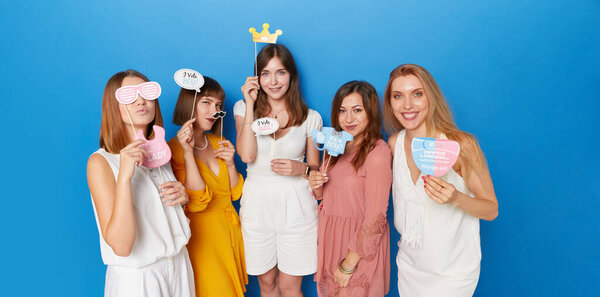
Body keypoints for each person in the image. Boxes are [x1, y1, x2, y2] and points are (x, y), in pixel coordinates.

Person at [383, 64, 499, 297]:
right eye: (398, 96)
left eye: (417, 94)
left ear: (431, 97)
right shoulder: (394, 143)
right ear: (390, 103)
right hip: (409, 266)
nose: (407, 105)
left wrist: (456, 197)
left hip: (452, 272)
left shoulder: (461, 145)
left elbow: (491, 209)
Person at [87, 70, 194, 297]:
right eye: (129, 95)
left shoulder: (160, 154)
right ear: (113, 106)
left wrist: (182, 200)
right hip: (139, 278)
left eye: (147, 92)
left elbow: (159, 215)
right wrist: (125, 178)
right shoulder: (101, 162)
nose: (140, 100)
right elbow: (121, 246)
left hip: (179, 267)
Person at [234, 44, 322, 297]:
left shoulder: (310, 117)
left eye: (280, 72)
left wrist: (302, 167)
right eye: (265, 73)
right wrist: (251, 105)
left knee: (289, 286)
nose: (273, 81)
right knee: (267, 283)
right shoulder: (242, 109)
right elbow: (247, 155)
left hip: (297, 208)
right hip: (257, 206)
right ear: (257, 78)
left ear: (291, 76)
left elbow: (315, 169)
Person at [308, 81, 392, 297]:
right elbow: (326, 197)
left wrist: (349, 263)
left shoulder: (377, 152)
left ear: (371, 112)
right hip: (332, 237)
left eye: (357, 110)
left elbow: (376, 216)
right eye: (342, 111)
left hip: (358, 246)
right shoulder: (334, 146)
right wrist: (317, 185)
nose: (348, 119)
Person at [168, 76, 247, 297]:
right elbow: (197, 200)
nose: (214, 110)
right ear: (189, 104)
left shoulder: (216, 142)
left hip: (229, 233)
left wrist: (231, 164)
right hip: (203, 240)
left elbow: (234, 193)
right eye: (207, 102)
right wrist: (187, 152)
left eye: (218, 105)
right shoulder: (172, 150)